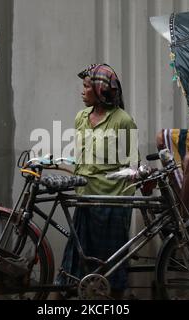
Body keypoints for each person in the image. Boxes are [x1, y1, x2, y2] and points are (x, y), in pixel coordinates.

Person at [52, 64, 138, 300]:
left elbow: (132, 165)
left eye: (86, 86)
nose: (82, 91)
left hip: (113, 203)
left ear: (101, 91)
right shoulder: (81, 117)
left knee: (112, 268)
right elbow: (83, 158)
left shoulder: (123, 121)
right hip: (85, 200)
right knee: (73, 265)